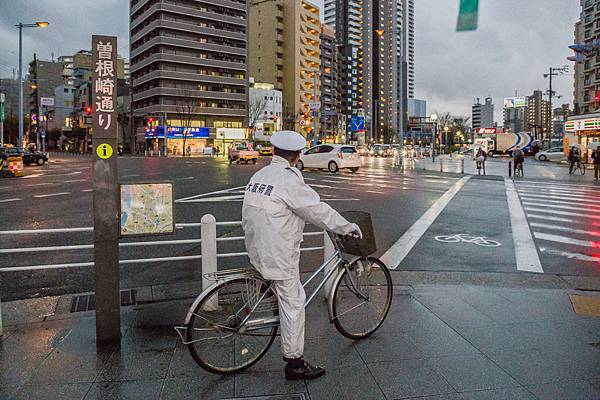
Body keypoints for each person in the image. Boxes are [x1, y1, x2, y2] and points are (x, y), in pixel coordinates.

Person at [242, 130, 362, 380]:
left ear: (275, 151)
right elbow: (316, 210)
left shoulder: (260, 174)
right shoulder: (288, 179)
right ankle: (294, 362)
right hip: (278, 252)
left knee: (281, 292)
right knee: (294, 300)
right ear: (297, 155)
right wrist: (346, 226)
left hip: (257, 247)